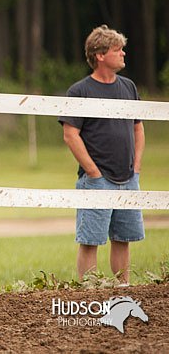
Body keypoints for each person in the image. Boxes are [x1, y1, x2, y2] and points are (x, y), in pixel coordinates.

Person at [58, 25, 145, 285]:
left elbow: (138, 128)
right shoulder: (79, 91)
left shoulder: (128, 87)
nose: (123, 54)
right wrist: (94, 172)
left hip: (128, 177)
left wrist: (136, 168)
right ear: (100, 55)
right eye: (118, 50)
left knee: (123, 238)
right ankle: (90, 291)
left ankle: (123, 286)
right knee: (90, 240)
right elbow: (70, 135)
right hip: (96, 179)